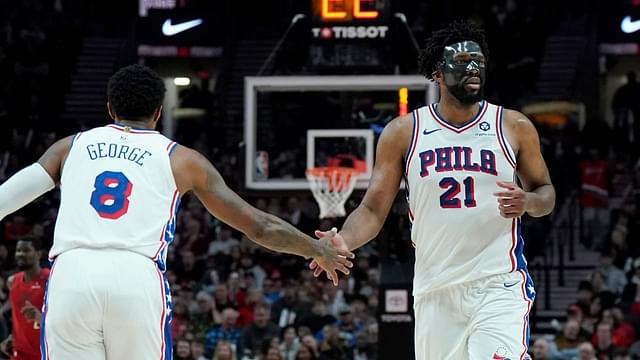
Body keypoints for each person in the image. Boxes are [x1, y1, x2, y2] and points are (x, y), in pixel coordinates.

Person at [0, 64, 354, 360]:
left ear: (109, 108)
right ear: (158, 112)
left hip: (72, 274)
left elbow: (6, 198)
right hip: (135, 275)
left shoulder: (69, 147)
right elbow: (258, 226)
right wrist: (317, 249)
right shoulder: (182, 159)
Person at [310, 21, 555, 359]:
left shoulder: (513, 126)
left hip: (498, 282)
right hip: (434, 289)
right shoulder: (403, 132)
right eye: (463, 60)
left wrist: (528, 201)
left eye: (479, 61)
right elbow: (371, 210)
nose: (473, 68)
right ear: (437, 72)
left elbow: (547, 194)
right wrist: (344, 240)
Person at [0, 238, 49, 360]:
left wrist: (41, 318)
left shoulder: (50, 280)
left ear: (38, 254)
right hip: (19, 354)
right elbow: (18, 320)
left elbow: (65, 319)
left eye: (26, 250)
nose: (21, 254)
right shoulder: (12, 282)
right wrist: (12, 337)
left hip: (44, 353)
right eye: (18, 250)